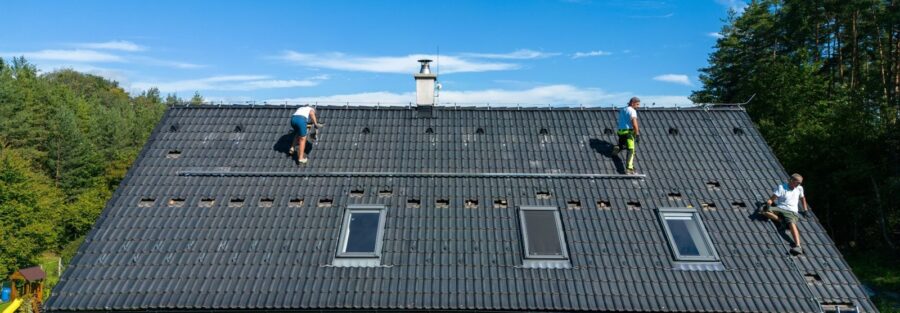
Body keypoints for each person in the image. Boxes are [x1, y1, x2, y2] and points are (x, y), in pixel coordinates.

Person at [760, 173, 810, 255]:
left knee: (791, 223)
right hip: (780, 209)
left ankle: (798, 246)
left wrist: (805, 210)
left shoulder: (800, 188)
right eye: (797, 182)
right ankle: (781, 221)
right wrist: (768, 206)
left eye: (800, 183)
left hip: (791, 211)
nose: (798, 184)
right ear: (791, 180)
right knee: (763, 211)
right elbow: (771, 200)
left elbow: (802, 198)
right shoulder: (781, 187)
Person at [612, 97, 640, 174]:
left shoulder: (623, 109)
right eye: (637, 104)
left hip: (621, 131)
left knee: (623, 144)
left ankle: (618, 147)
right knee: (631, 149)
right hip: (628, 132)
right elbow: (634, 123)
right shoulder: (632, 111)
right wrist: (637, 133)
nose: (638, 106)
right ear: (632, 103)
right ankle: (629, 169)